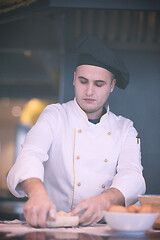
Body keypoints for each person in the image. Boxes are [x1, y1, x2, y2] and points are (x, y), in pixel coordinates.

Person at [7, 34, 146, 227]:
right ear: (74, 79)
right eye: (83, 81)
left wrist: (104, 200)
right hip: (50, 226)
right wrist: (37, 193)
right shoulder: (54, 115)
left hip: (101, 230)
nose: (89, 91)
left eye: (99, 84)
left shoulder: (126, 129)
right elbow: (30, 154)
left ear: (112, 86)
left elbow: (133, 174)